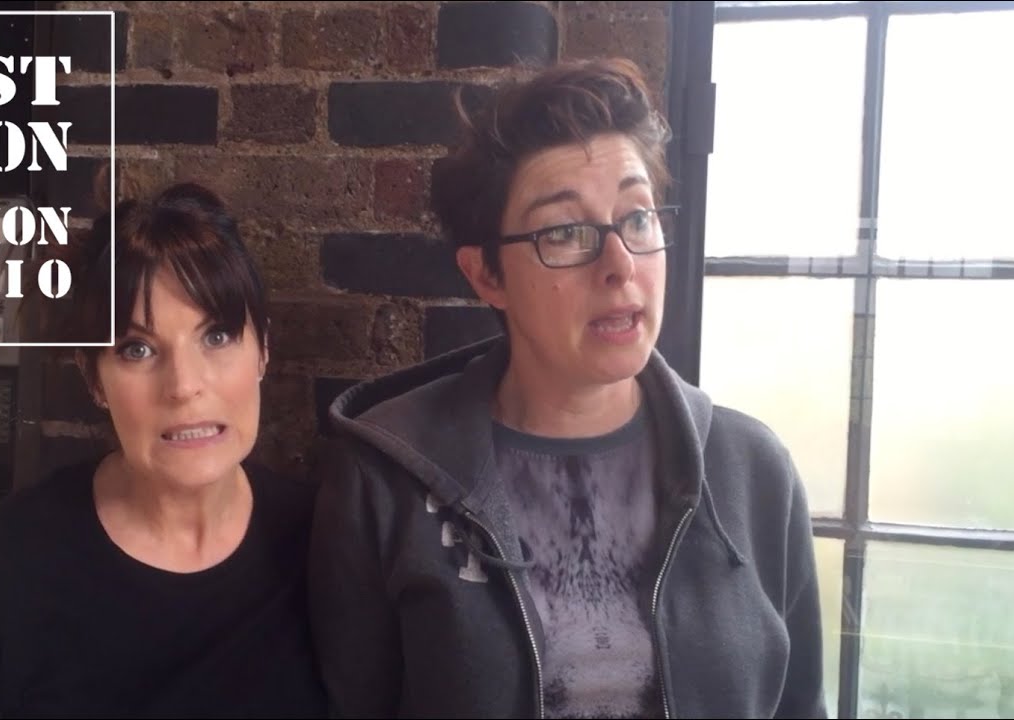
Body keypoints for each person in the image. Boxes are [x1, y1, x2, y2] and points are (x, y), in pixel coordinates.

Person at [306, 58, 827, 719]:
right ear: (486, 274)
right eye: (564, 232)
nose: (619, 265)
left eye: (638, 218)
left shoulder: (753, 471)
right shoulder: (383, 482)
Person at [0, 181, 330, 719]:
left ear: (263, 349)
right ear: (94, 379)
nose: (184, 385)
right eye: (138, 349)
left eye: (217, 336)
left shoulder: (331, 549)